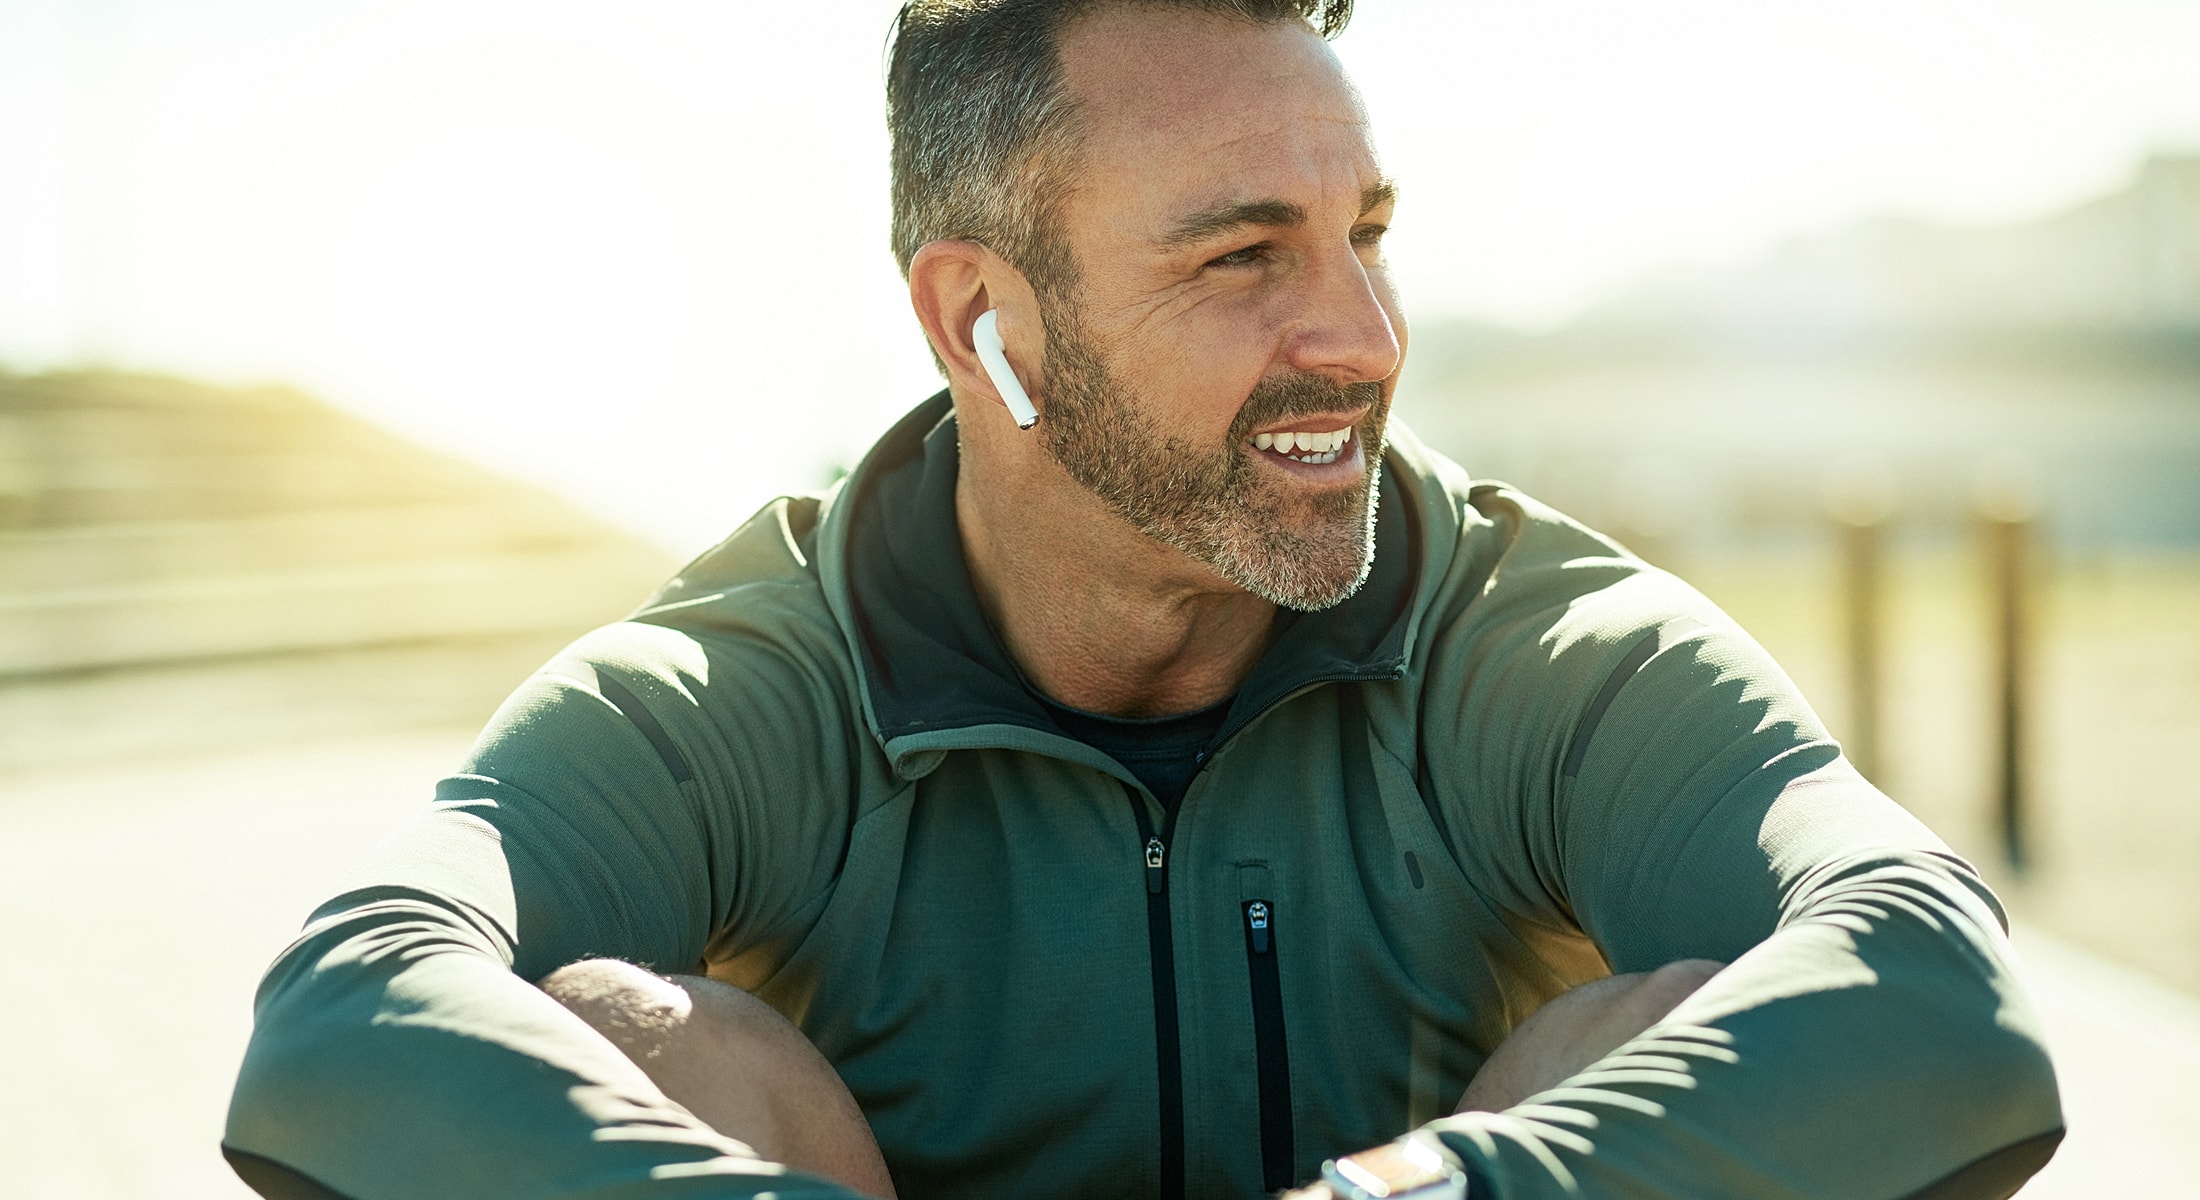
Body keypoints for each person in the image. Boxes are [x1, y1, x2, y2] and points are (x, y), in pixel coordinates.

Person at [223, 2, 2064, 1198]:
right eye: (1244, 255)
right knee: (638, 1035)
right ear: (981, 321)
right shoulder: (758, 678)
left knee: (1678, 1016)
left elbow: (1940, 978)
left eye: (1365, 236)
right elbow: (343, 1012)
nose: (1359, 336)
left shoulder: (1523, 636)